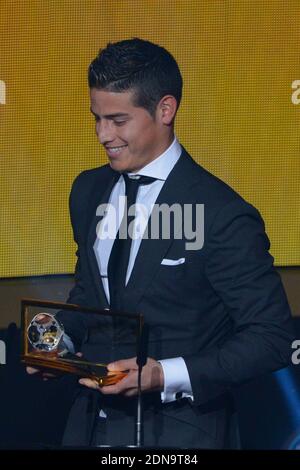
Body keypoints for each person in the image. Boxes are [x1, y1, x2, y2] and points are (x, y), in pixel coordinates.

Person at [29, 38, 294, 448]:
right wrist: (59, 338)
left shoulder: (221, 212)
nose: (103, 135)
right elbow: (92, 297)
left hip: (177, 432)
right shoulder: (87, 190)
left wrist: (164, 375)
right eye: (96, 118)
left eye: (118, 120)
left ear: (165, 109)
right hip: (86, 426)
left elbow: (270, 337)